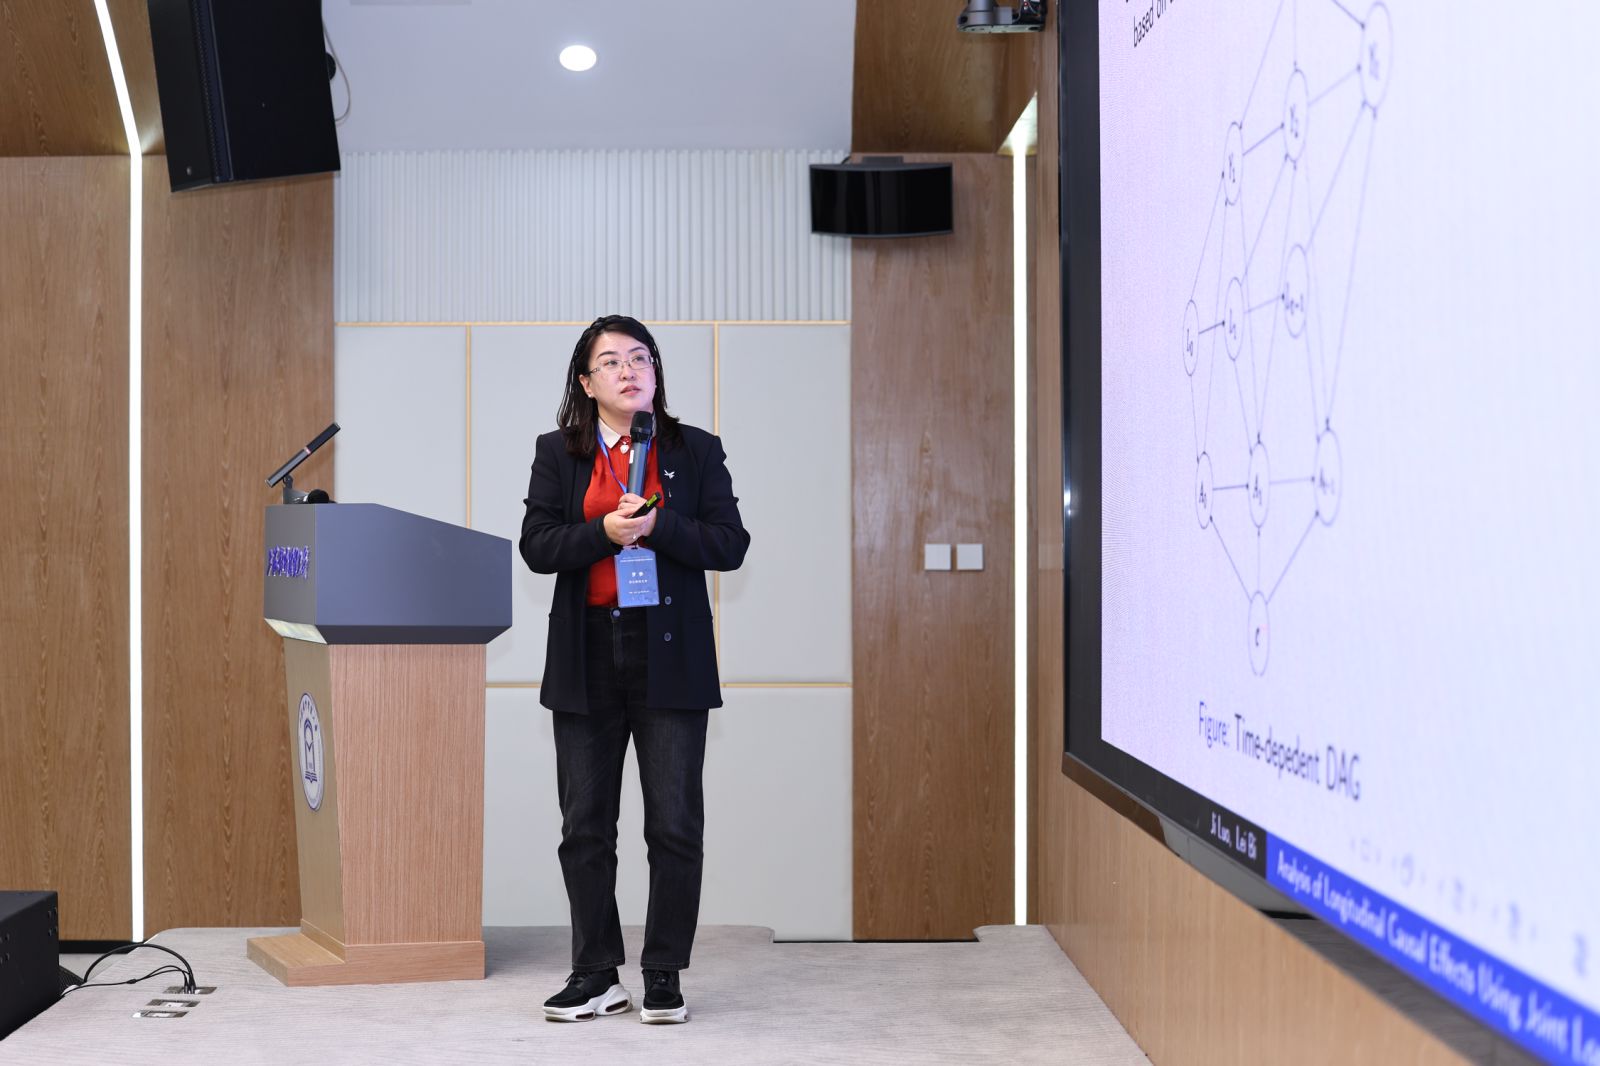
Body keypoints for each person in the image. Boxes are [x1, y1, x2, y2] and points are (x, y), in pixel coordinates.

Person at [519, 315, 749, 1025]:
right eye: (612, 361)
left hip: (668, 652)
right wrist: (603, 533)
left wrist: (656, 526)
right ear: (586, 383)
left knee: (674, 825)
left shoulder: (694, 449)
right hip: (587, 651)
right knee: (585, 825)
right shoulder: (559, 452)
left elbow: (729, 544)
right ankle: (596, 972)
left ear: (655, 373)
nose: (629, 370)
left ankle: (664, 972)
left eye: (640, 358)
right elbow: (537, 545)